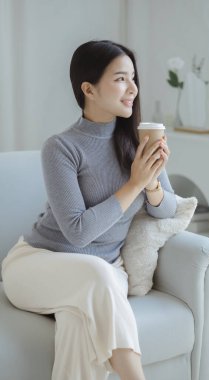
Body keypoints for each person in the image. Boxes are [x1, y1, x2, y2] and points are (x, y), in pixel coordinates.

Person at [2, 40, 177, 380]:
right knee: (96, 276)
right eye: (120, 79)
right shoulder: (61, 147)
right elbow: (78, 233)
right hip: (38, 264)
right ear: (88, 89)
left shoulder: (138, 143)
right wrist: (134, 184)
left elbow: (166, 210)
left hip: (103, 274)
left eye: (133, 78)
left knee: (78, 327)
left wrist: (151, 181)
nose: (133, 89)